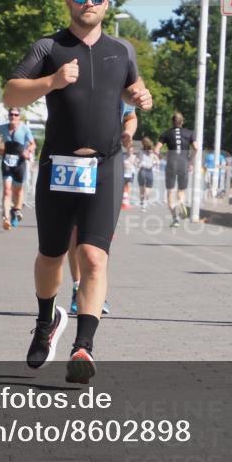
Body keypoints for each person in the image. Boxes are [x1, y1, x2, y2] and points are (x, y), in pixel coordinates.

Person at [3, 0, 152, 384]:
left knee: (93, 256)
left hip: (105, 166)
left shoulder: (121, 50)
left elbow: (131, 91)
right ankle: (46, 319)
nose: (90, 1)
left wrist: (142, 96)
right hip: (59, 165)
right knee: (51, 255)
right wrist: (51, 81)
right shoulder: (49, 47)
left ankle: (83, 346)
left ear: (107, 3)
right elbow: (10, 93)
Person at [68, 104, 135, 317]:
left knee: (99, 237)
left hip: (108, 164)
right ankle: (78, 287)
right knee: (75, 231)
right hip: (73, 160)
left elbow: (131, 116)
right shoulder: (74, 71)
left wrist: (128, 132)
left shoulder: (121, 74)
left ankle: (96, 290)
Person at [0, 109, 36, 230]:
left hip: (20, 162)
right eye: (11, 114)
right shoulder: (2, 128)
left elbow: (33, 144)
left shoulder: (24, 129)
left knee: (18, 191)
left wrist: (28, 151)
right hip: (6, 161)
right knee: (7, 190)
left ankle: (16, 211)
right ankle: (6, 218)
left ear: (19, 117)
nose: (13, 116)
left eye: (16, 115)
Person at [155, 112, 197, 227]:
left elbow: (156, 149)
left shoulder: (166, 133)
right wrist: (190, 161)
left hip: (171, 164)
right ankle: (181, 202)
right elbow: (196, 148)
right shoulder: (190, 133)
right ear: (182, 121)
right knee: (181, 190)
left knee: (170, 191)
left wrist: (162, 158)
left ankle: (175, 218)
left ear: (172, 121)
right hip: (184, 163)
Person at [137, 137, 157, 210]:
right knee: (148, 188)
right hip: (149, 170)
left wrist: (138, 164)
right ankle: (145, 201)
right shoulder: (152, 152)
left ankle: (142, 202)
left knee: (141, 188)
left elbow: (138, 161)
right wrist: (154, 163)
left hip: (142, 170)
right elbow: (157, 161)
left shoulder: (140, 151)